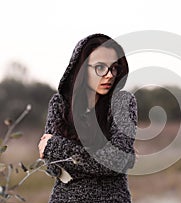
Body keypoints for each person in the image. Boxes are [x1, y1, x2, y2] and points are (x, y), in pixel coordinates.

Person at [38, 33, 137, 203]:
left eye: (114, 68)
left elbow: (116, 160)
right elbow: (54, 168)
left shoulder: (123, 103)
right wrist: (104, 158)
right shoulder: (59, 105)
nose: (109, 75)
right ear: (82, 68)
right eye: (100, 67)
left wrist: (55, 146)